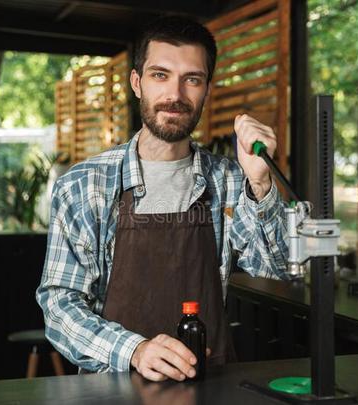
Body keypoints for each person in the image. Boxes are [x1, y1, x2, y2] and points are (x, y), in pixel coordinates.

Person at [36, 15, 289, 382]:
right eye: (160, 75)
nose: (175, 95)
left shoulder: (231, 180)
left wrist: (262, 183)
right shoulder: (84, 185)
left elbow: (276, 271)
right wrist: (134, 350)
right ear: (137, 82)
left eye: (192, 79)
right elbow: (59, 307)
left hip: (212, 387)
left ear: (206, 88)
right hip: (112, 389)